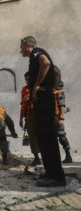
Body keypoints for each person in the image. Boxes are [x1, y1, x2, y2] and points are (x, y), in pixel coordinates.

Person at [20, 36, 66, 187]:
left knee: (47, 137)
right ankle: (51, 173)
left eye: (21, 47)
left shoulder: (36, 53)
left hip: (43, 99)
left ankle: (56, 177)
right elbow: (53, 70)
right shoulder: (34, 58)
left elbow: (46, 63)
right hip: (43, 99)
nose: (20, 50)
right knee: (44, 138)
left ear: (27, 45)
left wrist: (37, 86)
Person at [19, 72, 41, 166]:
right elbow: (22, 105)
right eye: (26, 80)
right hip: (28, 116)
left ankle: (47, 157)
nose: (27, 81)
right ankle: (36, 158)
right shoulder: (24, 90)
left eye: (29, 79)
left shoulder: (38, 88)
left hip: (39, 115)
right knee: (32, 137)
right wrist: (21, 118)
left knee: (42, 136)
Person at [54, 80, 72, 163]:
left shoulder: (59, 93)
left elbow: (62, 107)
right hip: (51, 118)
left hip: (57, 118)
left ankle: (68, 156)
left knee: (61, 136)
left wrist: (61, 118)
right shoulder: (52, 93)